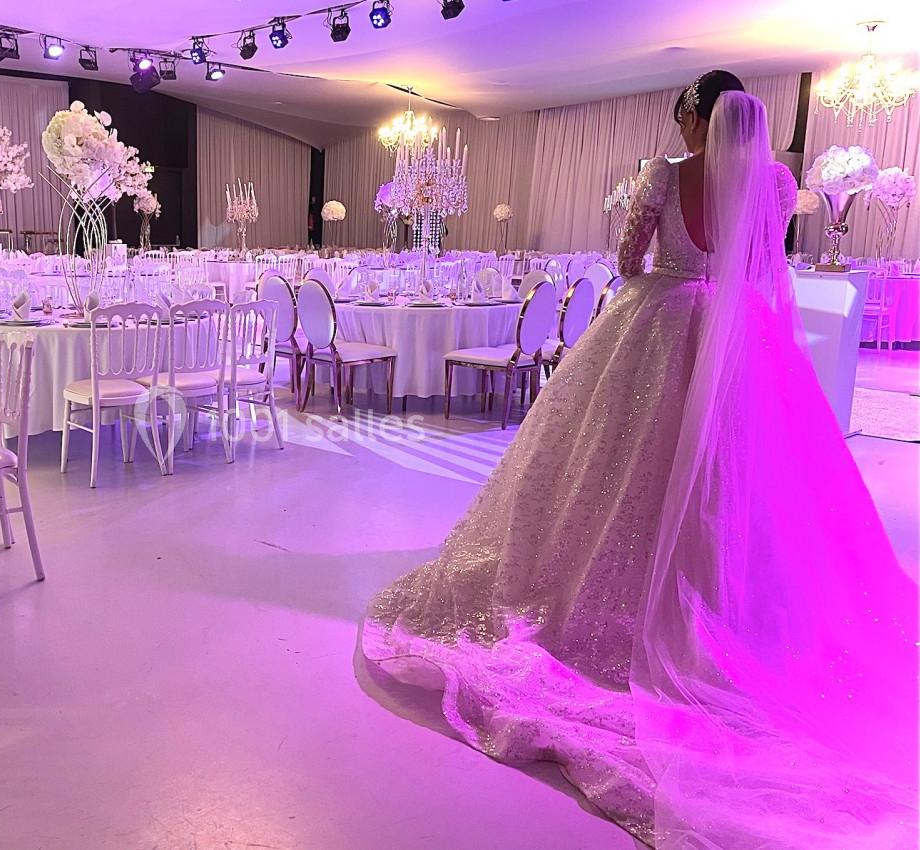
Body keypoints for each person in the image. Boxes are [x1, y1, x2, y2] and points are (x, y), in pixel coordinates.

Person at [358, 71, 918, 849]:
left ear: (692, 117)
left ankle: (604, 609)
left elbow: (628, 260)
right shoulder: (777, 182)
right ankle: (737, 615)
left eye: (684, 117)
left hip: (656, 327)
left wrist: (672, 265)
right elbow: (764, 266)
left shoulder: (664, 174)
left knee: (613, 469)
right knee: (742, 484)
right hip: (741, 343)